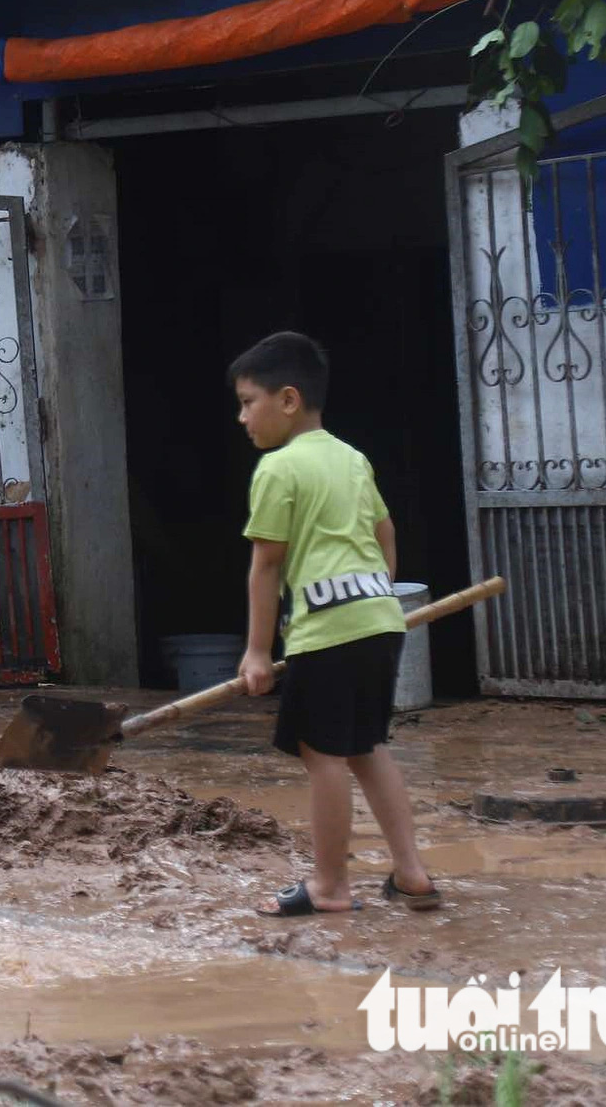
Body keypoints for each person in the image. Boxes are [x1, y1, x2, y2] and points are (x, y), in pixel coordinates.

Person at [229, 331, 442, 917]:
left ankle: (329, 887)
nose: (242, 416)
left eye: (249, 401)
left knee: (322, 754)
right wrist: (374, 597)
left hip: (328, 631)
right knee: (367, 747)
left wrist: (254, 652)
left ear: (289, 400)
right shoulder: (353, 459)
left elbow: (267, 566)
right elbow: (385, 535)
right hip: (380, 621)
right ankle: (413, 874)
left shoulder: (278, 469)